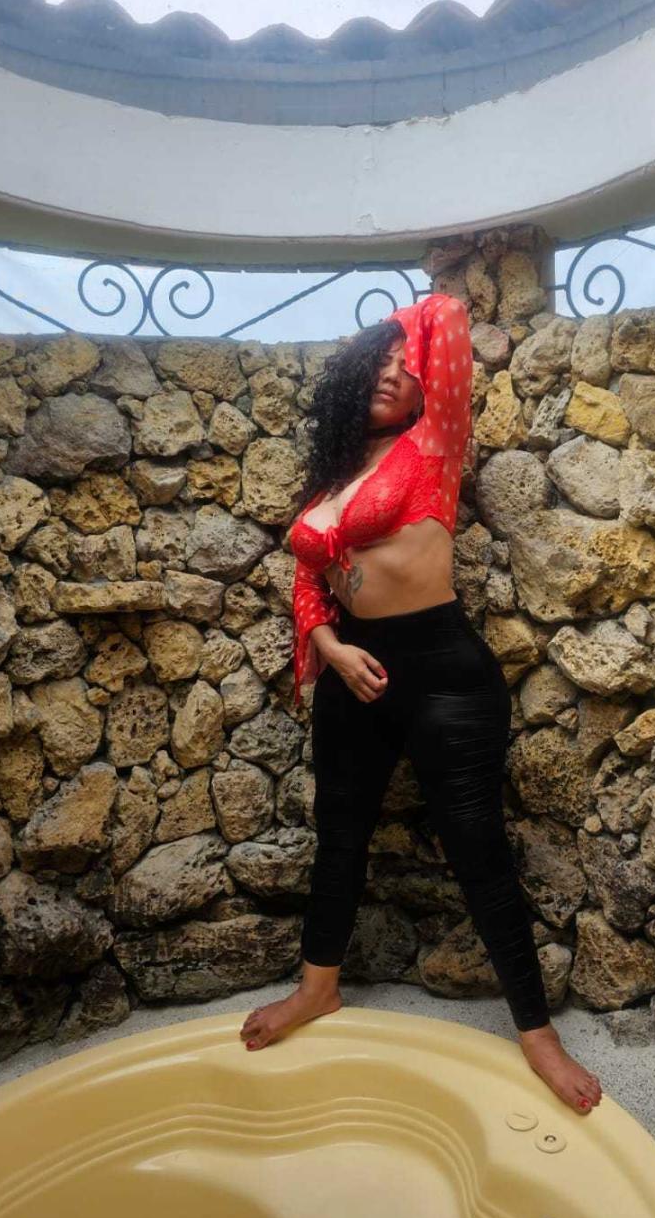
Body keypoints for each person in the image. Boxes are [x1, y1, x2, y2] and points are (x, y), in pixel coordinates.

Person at [239, 293, 602, 1115]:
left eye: (407, 367)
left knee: (479, 851)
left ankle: (538, 1036)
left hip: (442, 671)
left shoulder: (433, 444)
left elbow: (450, 316)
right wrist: (329, 647)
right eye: (379, 362)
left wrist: (399, 328)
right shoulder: (333, 476)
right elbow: (309, 576)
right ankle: (318, 988)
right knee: (339, 837)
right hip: (353, 672)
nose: (395, 373)